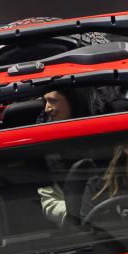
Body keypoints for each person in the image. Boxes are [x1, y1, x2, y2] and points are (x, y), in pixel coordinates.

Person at [36, 88, 92, 225]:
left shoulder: (102, 132)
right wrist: (75, 214)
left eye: (53, 101)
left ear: (73, 102)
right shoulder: (42, 145)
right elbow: (49, 200)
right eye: (45, 101)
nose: (47, 108)